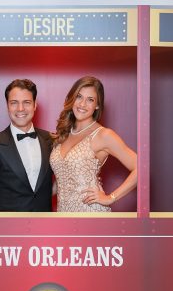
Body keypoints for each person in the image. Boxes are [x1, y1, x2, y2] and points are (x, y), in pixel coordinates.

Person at [50, 76, 137, 212]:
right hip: (64, 214)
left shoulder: (103, 135)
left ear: (97, 105)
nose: (82, 104)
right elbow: (64, 181)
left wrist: (111, 197)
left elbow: (141, 168)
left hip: (91, 212)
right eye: (79, 97)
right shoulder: (64, 133)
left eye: (90, 100)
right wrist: (33, 196)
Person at [0, 79, 55, 211]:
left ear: (35, 105)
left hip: (44, 221)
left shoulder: (51, 140)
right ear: (7, 106)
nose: (20, 108)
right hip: (7, 223)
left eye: (27, 102)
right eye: (14, 103)